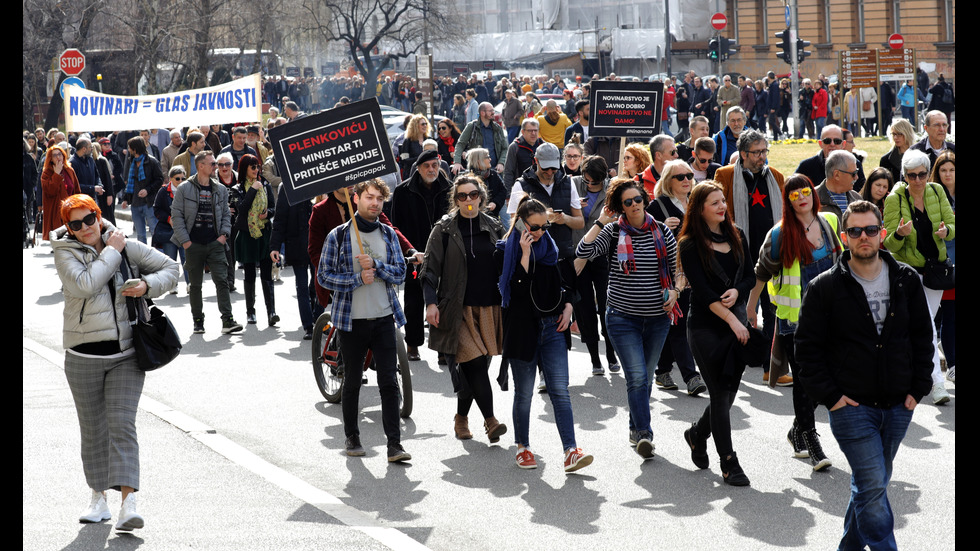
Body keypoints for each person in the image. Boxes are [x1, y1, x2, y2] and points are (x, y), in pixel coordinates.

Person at [795, 200, 933, 551]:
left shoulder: (906, 280)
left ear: (882, 233)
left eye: (871, 230)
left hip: (899, 404)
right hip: (851, 406)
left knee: (870, 485)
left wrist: (918, 389)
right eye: (855, 231)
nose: (864, 237)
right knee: (873, 484)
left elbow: (922, 337)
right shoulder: (825, 287)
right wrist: (831, 397)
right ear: (844, 238)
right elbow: (807, 349)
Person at [52, 194, 178, 531]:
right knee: (93, 431)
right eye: (74, 224)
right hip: (82, 357)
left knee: (122, 425)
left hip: (126, 355)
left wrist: (148, 285)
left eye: (88, 220)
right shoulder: (65, 252)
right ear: (69, 228)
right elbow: (85, 284)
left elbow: (171, 267)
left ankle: (129, 503)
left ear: (98, 215)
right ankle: (98, 498)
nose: (84, 229)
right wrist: (113, 250)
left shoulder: (125, 244)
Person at [576, 176, 681, 459]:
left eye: (637, 200)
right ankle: (645, 433)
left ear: (645, 201)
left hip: (658, 318)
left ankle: (635, 429)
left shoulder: (661, 231)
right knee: (636, 376)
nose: (634, 205)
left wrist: (675, 291)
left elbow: (677, 271)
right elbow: (582, 252)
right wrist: (600, 221)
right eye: (627, 202)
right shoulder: (612, 233)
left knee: (645, 379)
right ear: (620, 207)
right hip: (622, 319)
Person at [746, 174, 844, 472]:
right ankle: (812, 440)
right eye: (793, 194)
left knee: (833, 376)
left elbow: (842, 264)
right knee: (804, 382)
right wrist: (751, 309)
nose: (801, 197)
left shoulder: (829, 222)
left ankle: (796, 430)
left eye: (805, 191)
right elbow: (761, 273)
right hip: (794, 320)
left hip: (830, 317)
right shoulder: (779, 235)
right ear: (787, 201)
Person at [496, 196, 593, 473]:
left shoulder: (553, 250)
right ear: (520, 224)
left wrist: (569, 307)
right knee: (524, 393)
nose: (539, 233)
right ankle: (523, 447)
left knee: (560, 391)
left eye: (543, 227)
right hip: (522, 328)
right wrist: (525, 257)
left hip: (553, 327)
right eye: (534, 227)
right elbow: (515, 293)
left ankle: (571, 451)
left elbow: (568, 282)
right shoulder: (505, 251)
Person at [318, 178, 411, 461]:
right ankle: (352, 437)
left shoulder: (388, 234)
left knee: (388, 382)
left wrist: (378, 267)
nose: (374, 204)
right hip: (351, 321)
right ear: (356, 198)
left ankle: (394, 444)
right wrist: (357, 278)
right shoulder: (339, 235)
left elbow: (400, 273)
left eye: (379, 200)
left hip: (383, 318)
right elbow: (324, 276)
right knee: (353, 381)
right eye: (369, 197)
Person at [677, 181, 756, 486]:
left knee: (729, 395)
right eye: (715, 203)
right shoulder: (689, 244)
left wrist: (738, 291)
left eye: (723, 200)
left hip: (734, 319)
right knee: (720, 394)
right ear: (700, 209)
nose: (722, 206)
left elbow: (750, 274)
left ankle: (697, 433)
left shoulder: (738, 235)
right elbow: (705, 292)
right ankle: (729, 463)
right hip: (706, 326)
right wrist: (734, 323)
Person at [422, 175, 507, 442]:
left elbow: (508, 264)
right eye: (462, 196)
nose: (468, 200)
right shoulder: (444, 229)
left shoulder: (494, 226)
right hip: (458, 309)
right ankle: (491, 420)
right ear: (455, 199)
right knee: (474, 364)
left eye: (473, 195)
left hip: (490, 308)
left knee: (475, 368)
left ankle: (461, 417)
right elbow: (429, 270)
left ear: (481, 198)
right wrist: (430, 303)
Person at [715, 129, 789, 385]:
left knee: (771, 310)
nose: (762, 157)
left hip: (771, 255)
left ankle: (771, 367)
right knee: (739, 309)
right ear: (743, 153)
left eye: (764, 151)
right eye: (756, 152)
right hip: (738, 255)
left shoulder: (777, 177)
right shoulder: (724, 175)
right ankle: (732, 363)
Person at [882, 149, 954, 405]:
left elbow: (953, 224)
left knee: (924, 325)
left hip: (935, 273)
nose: (918, 180)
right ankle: (937, 384)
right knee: (926, 326)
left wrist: (947, 231)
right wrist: (900, 234)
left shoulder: (936, 191)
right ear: (905, 175)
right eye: (912, 175)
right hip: (909, 274)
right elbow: (889, 243)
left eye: (922, 174)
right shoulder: (894, 199)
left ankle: (916, 376)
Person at [645, 160, 706, 396]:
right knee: (679, 325)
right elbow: (644, 239)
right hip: (670, 274)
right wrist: (662, 228)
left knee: (678, 324)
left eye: (689, 175)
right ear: (667, 181)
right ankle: (691, 376)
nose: (686, 180)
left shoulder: (696, 202)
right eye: (679, 176)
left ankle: (662, 369)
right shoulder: (657, 206)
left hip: (697, 270)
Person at [170, 151, 243, 335]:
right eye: (212, 164)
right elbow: (176, 216)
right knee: (195, 285)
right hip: (193, 245)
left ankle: (227, 320)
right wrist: (185, 242)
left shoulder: (219, 189)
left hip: (215, 243)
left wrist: (224, 235)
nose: (216, 167)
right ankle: (198, 321)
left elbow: (227, 214)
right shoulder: (184, 188)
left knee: (223, 281)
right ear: (200, 165)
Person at [389, 150, 451, 361]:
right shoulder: (402, 191)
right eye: (427, 166)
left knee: (442, 300)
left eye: (435, 165)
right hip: (415, 253)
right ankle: (413, 344)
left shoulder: (450, 189)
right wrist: (410, 251)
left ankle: (442, 348)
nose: (432, 169)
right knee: (414, 301)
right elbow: (395, 227)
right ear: (418, 168)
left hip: (444, 254)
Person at [570, 155, 620, 375]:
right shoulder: (572, 184)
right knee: (584, 307)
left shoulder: (612, 189)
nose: (590, 185)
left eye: (595, 182)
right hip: (578, 253)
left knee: (607, 306)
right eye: (587, 180)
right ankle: (594, 359)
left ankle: (610, 353)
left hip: (603, 253)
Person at [232, 154, 278, 326]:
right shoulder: (238, 189)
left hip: (264, 233)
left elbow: (273, 208)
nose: (256, 170)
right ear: (245, 169)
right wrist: (253, 190)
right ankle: (250, 312)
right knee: (249, 274)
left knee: (267, 274)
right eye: (253, 167)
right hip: (247, 235)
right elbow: (241, 210)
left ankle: (271, 312)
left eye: (257, 166)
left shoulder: (265, 185)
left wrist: (268, 214)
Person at [929, 151, 955, 384]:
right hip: (942, 264)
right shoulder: (933, 195)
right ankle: (950, 363)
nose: (947, 174)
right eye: (943, 170)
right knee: (943, 314)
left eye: (952, 170)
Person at [120, 136, 164, 245]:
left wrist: (147, 190)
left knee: (154, 230)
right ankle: (144, 258)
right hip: (135, 203)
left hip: (149, 202)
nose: (129, 150)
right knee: (140, 235)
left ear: (135, 149)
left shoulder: (152, 161)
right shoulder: (132, 162)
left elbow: (159, 180)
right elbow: (130, 183)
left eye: (130, 147)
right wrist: (126, 199)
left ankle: (158, 254)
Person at [152, 166, 190, 292]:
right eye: (177, 178)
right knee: (171, 260)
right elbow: (156, 210)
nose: (180, 181)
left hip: (184, 231)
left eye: (183, 178)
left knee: (187, 258)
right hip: (168, 232)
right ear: (171, 179)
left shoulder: (188, 189)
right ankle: (173, 285)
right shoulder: (163, 192)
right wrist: (168, 219)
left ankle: (190, 284)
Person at [452, 102, 508, 176]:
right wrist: (457, 162)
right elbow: (460, 144)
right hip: (476, 170)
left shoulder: (497, 128)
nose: (493, 113)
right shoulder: (472, 126)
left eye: (493, 110)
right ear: (482, 113)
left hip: (495, 170)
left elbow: (505, 148)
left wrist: (501, 163)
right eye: (490, 111)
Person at [40, 145, 81, 240]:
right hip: (56, 209)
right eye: (55, 155)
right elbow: (50, 191)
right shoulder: (46, 173)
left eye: (60, 154)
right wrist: (56, 174)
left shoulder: (69, 170)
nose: (58, 157)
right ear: (50, 159)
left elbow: (76, 189)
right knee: (59, 234)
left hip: (71, 207)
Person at [463, 148, 507, 218]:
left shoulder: (493, 174)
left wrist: (495, 203)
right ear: (478, 161)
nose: (490, 159)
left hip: (492, 218)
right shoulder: (467, 178)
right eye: (488, 157)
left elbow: (503, 191)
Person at [879, 119, 914, 184]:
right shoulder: (886, 160)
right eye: (894, 134)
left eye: (899, 134)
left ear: (907, 133)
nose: (895, 137)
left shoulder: (919, 155)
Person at [397, 114, 431, 180]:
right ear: (415, 126)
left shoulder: (429, 139)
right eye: (422, 124)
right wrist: (420, 158)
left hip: (427, 174)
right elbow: (404, 160)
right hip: (412, 175)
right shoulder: (408, 141)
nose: (425, 126)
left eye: (426, 124)